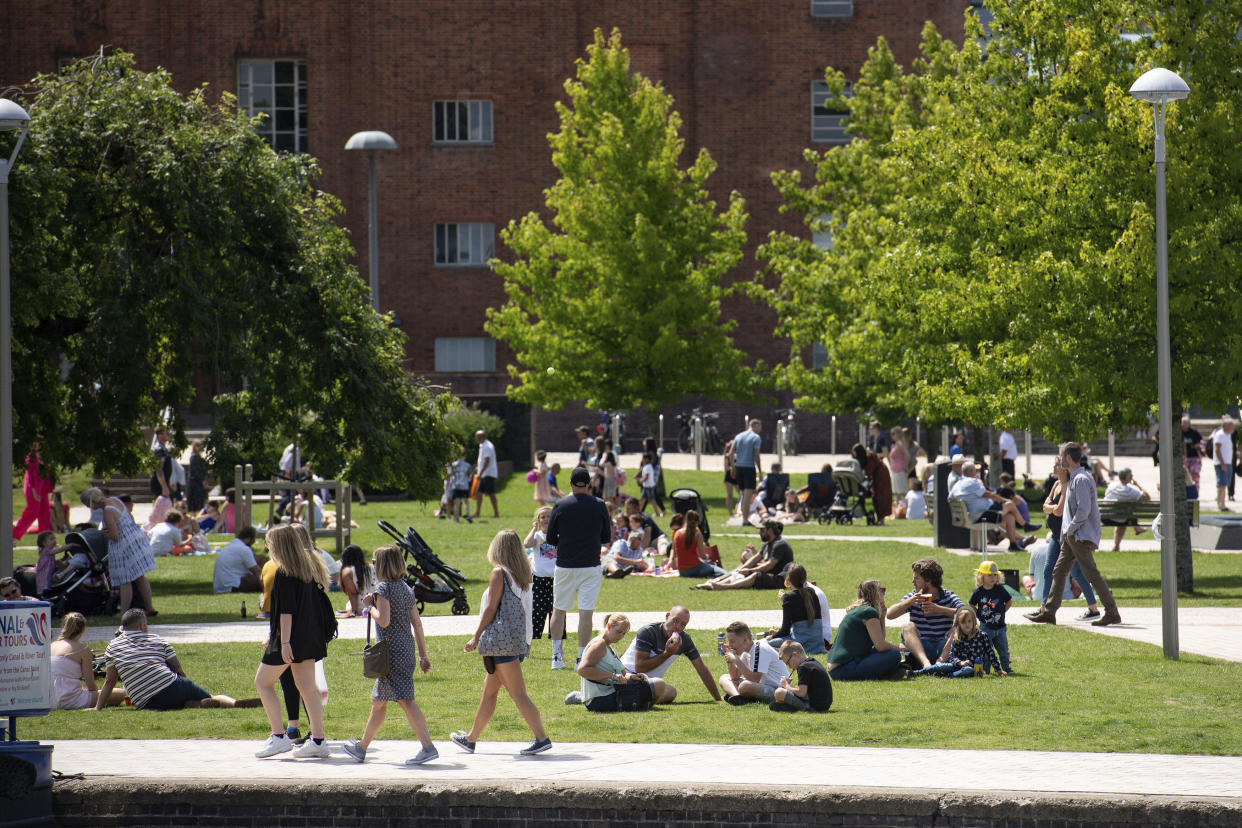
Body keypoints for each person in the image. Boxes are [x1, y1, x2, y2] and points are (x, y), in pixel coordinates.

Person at [452, 530, 551, 756]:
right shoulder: (523, 573)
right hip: (515, 640)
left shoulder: (499, 573)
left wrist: (476, 636)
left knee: (518, 694)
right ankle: (471, 739)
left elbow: (491, 608)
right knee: (489, 693)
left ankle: (542, 737)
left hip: (500, 643)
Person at [343, 545, 436, 765]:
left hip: (390, 653)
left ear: (382, 564)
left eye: (374, 562)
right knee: (379, 702)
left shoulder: (383, 588)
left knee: (405, 701)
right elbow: (418, 624)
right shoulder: (405, 587)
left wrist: (369, 607)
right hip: (404, 649)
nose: (372, 565)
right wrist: (423, 655)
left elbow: (383, 620)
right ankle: (361, 748)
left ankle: (428, 746)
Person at [253, 523, 333, 758]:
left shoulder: (285, 573)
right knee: (308, 688)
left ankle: (279, 736)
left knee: (262, 683)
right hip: (309, 638)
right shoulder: (307, 571)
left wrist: (284, 642)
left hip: (289, 640)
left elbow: (286, 612)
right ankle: (318, 740)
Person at [1026, 442, 1122, 627]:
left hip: (1079, 536)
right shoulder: (1073, 479)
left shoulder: (1081, 480)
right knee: (1059, 571)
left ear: (1068, 457)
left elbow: (1083, 511)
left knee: (1091, 574)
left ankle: (1112, 612)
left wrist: (1070, 529)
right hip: (1072, 536)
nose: (1059, 460)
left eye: (1061, 456)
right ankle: (1049, 612)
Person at [97, 609, 259, 710]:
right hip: (171, 684)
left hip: (146, 701)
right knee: (211, 696)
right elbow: (178, 671)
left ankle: (193, 704)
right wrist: (188, 686)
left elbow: (110, 681)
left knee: (175, 703)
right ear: (142, 626)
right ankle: (233, 703)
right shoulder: (158, 640)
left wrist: (98, 707)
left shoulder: (112, 646)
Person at [546, 466, 611, 670]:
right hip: (590, 564)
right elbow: (606, 537)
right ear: (589, 483)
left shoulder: (560, 505)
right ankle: (582, 655)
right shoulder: (599, 505)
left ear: (571, 484)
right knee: (586, 612)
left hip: (565, 564)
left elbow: (550, 538)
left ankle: (557, 656)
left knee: (559, 610)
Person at [1035, 455, 1101, 620]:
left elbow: (1058, 511)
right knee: (1048, 570)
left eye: (1057, 465)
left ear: (1064, 468)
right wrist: (1051, 507)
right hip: (1056, 536)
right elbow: (1046, 507)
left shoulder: (1068, 486)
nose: (1054, 468)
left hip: (1067, 537)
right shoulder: (1056, 484)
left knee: (1077, 572)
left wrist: (1050, 508)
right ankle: (1044, 607)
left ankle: (1093, 608)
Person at [79, 487, 157, 617]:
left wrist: (104, 533)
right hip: (135, 538)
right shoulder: (115, 500)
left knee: (124, 579)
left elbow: (115, 535)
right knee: (140, 577)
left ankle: (123, 611)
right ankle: (149, 607)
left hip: (124, 545)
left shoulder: (107, 511)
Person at [617, 606, 721, 702]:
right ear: (667, 616)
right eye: (675, 620)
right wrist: (667, 653)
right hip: (626, 676)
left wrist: (718, 698)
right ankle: (633, 698)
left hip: (648, 683)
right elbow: (640, 667)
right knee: (663, 690)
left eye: (683, 624)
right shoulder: (648, 632)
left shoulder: (684, 639)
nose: (678, 626)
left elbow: (701, 668)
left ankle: (632, 699)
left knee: (671, 692)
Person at [575, 612, 671, 712]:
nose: (621, 636)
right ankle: (642, 706)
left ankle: (641, 705)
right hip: (599, 699)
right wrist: (612, 676)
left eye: (624, 633)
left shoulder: (609, 647)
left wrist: (633, 677)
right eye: (618, 632)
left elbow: (623, 674)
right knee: (659, 684)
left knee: (668, 690)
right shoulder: (599, 644)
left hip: (609, 693)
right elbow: (582, 670)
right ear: (609, 626)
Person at [887, 557, 963, 670]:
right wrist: (909, 602)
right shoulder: (914, 597)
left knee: (957, 628)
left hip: (943, 647)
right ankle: (926, 664)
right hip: (920, 648)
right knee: (907, 627)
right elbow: (890, 615)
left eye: (916, 578)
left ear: (928, 581)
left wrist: (939, 609)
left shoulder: (948, 596)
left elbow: (967, 613)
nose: (913, 582)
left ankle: (940, 663)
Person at [826, 580, 902, 680]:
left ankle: (889, 673)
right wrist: (900, 648)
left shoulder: (861, 610)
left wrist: (882, 618)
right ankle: (888, 673)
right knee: (894, 655)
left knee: (884, 653)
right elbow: (880, 646)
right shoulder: (868, 612)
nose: (884, 593)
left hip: (838, 667)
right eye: (882, 590)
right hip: (843, 668)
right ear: (874, 593)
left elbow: (880, 640)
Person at [949, 461, 1034, 551]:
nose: (976, 472)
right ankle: (1025, 525)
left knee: (1010, 516)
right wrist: (1003, 500)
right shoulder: (972, 482)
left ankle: (1013, 544)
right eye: (975, 470)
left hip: (972, 515)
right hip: (981, 515)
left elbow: (950, 497)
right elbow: (987, 494)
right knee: (1009, 504)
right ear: (971, 471)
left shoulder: (958, 483)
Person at [51, 612, 126, 709]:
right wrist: (96, 693)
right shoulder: (83, 650)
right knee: (120, 693)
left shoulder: (51, 646)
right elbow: (91, 685)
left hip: (49, 699)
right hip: (69, 699)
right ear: (83, 629)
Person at [695, 520, 793, 590]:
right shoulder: (767, 544)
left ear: (770, 530)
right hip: (770, 575)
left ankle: (724, 587)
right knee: (742, 570)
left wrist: (749, 571)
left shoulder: (780, 544)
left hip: (781, 579)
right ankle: (716, 583)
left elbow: (769, 565)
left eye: (762, 530)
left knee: (756, 575)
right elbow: (755, 558)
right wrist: (743, 569)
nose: (760, 533)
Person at [915, 607, 1002, 677]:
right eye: (963, 622)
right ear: (958, 624)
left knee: (967, 670)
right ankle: (917, 672)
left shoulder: (982, 636)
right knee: (940, 666)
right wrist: (960, 662)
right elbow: (951, 656)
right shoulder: (957, 637)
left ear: (974, 622)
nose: (967, 624)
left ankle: (948, 676)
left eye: (969, 621)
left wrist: (998, 669)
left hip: (975, 668)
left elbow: (991, 653)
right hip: (957, 665)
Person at [718, 620, 788, 705]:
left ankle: (742, 697)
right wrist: (729, 658)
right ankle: (738, 697)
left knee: (745, 686)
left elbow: (754, 679)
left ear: (745, 640)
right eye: (729, 641)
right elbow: (734, 677)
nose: (730, 645)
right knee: (724, 678)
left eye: (732, 641)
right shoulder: (746, 650)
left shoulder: (760, 649)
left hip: (777, 690)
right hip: (760, 686)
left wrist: (736, 660)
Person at [765, 564, 826, 655]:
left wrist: (770, 637)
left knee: (766, 644)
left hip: (799, 645)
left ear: (788, 580)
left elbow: (785, 630)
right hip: (818, 645)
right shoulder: (812, 593)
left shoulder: (789, 598)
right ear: (804, 578)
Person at [969, 561, 1012, 674]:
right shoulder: (978, 592)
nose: (993, 577)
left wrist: (1003, 611)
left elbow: (1009, 601)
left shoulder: (1000, 589)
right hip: (986, 627)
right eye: (989, 575)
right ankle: (986, 669)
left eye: (995, 575)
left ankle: (1006, 668)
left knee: (1003, 650)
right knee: (986, 649)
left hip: (1000, 627)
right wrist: (978, 613)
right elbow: (971, 604)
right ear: (981, 576)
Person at [523, 506, 559, 639]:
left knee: (556, 609)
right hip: (539, 578)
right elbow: (527, 543)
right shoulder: (537, 536)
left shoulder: (559, 535)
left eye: (549, 516)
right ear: (538, 520)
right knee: (537, 610)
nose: (546, 519)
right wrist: (534, 529)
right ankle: (535, 635)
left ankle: (555, 635)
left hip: (556, 578)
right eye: (543, 517)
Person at [771, 641, 832, 713]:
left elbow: (801, 692)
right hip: (824, 705)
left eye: (788, 663)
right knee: (777, 701)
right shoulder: (812, 662)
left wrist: (786, 685)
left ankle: (793, 708)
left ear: (795, 655)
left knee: (779, 693)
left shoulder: (803, 667)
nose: (789, 667)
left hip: (814, 706)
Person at [1103, 467, 1151, 551]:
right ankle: (1136, 528)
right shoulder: (1128, 491)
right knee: (1124, 516)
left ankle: (1117, 546)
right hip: (1117, 517)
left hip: (1104, 517)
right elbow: (1147, 497)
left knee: (1123, 516)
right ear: (1129, 477)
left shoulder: (1111, 485)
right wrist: (1137, 485)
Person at [13, 442, 53, 540]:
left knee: (45, 513)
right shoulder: (31, 458)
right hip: (33, 488)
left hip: (42, 487)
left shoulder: (43, 456)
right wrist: (35, 491)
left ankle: (46, 538)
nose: (37, 444)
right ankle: (15, 533)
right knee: (32, 512)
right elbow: (30, 476)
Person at [671, 510, 724, 579]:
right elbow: (703, 556)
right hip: (695, 568)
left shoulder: (677, 533)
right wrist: (708, 557)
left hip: (682, 570)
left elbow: (675, 554)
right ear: (697, 522)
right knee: (722, 572)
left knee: (704, 564)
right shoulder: (697, 534)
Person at [213, 526, 264, 593]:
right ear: (249, 539)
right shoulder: (244, 549)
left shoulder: (231, 545)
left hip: (220, 587)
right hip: (233, 586)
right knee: (267, 578)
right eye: (253, 541)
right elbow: (257, 572)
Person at [731, 419, 763, 524]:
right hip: (749, 468)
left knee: (743, 494)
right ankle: (745, 520)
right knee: (747, 495)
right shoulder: (756, 438)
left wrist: (733, 467)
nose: (760, 429)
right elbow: (756, 455)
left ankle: (744, 518)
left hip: (739, 467)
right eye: (760, 426)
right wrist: (760, 471)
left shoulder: (738, 436)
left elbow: (730, 453)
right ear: (755, 425)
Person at [852, 443, 893, 525]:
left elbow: (868, 471)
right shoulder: (866, 458)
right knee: (875, 497)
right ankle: (879, 519)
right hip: (875, 477)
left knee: (882, 497)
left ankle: (882, 520)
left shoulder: (870, 457)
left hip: (881, 476)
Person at [471, 430, 500, 519]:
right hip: (485, 473)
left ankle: (496, 514)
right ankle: (477, 513)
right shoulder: (483, 445)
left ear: (481, 437)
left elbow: (487, 461)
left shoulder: (487, 446)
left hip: (488, 474)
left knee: (491, 493)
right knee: (479, 493)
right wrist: (478, 468)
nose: (476, 438)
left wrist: (480, 473)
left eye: (477, 437)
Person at [337, 544, 372, 616]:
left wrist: (354, 612)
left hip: (359, 608)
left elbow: (353, 594)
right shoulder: (372, 568)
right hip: (375, 608)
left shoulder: (347, 572)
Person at [446, 447, 473, 523]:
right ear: (465, 455)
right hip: (464, 486)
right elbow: (470, 475)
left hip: (456, 486)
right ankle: (467, 514)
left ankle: (456, 519)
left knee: (456, 503)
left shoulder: (454, 465)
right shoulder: (467, 465)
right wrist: (468, 480)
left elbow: (450, 474)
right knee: (466, 501)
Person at [186, 441, 209, 513]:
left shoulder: (198, 456)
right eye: (197, 446)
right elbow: (196, 471)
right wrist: (203, 481)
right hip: (195, 483)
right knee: (196, 503)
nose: (199, 447)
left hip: (197, 483)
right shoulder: (194, 457)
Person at [888, 428, 911, 498]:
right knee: (897, 492)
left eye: (893, 434)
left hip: (900, 470)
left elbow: (907, 455)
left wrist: (906, 466)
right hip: (895, 471)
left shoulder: (900, 444)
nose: (892, 436)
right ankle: (898, 506)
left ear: (898, 434)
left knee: (902, 491)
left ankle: (905, 506)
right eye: (891, 434)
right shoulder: (896, 444)